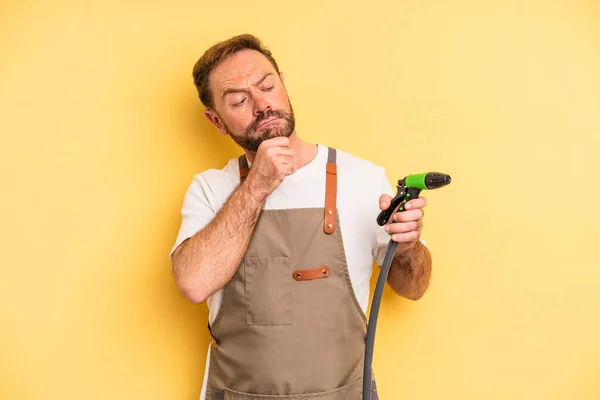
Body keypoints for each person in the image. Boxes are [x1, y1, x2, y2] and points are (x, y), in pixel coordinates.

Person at [170, 34, 433, 400]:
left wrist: (407, 246)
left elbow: (414, 288)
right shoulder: (211, 190)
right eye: (239, 100)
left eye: (267, 86)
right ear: (216, 120)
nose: (262, 105)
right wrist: (258, 185)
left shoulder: (363, 178)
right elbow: (194, 284)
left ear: (284, 84)